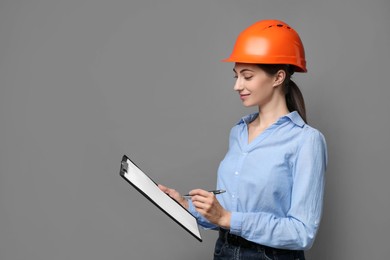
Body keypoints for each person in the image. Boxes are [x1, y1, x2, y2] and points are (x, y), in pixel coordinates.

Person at [159, 19, 327, 260]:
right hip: (224, 251)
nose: (237, 86)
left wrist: (227, 218)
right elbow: (228, 214)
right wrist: (188, 207)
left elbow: (302, 232)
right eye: (236, 76)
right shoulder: (238, 132)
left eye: (247, 76)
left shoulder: (307, 141)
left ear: (278, 77)